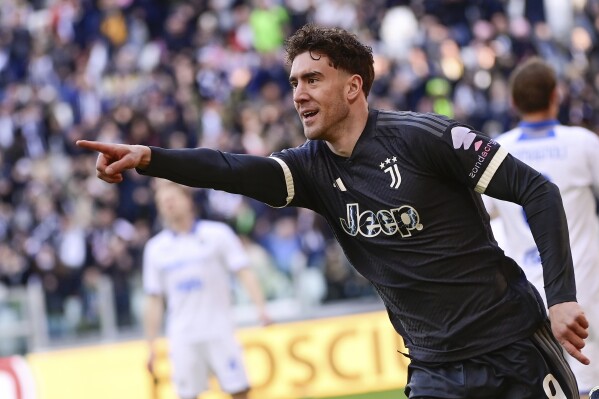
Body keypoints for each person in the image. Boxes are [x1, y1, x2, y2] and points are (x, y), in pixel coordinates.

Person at [77, 24, 590, 398]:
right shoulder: (309, 171)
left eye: (313, 79)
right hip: (435, 368)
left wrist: (561, 297)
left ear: (353, 87)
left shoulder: (428, 137)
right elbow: (230, 168)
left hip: (513, 348)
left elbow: (538, 191)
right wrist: (150, 158)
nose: (298, 92)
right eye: (295, 81)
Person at [483, 57, 599, 398]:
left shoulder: (496, 150)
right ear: (556, 96)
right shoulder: (582, 143)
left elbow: (485, 219)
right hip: (585, 285)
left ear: (513, 103)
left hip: (529, 293)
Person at [143, 179, 270, 399]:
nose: (168, 205)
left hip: (219, 328)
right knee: (187, 394)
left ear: (187, 200)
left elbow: (243, 271)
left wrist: (261, 308)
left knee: (239, 389)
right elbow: (154, 299)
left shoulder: (217, 234)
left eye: (172, 199)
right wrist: (151, 345)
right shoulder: (155, 249)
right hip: (182, 334)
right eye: (162, 202)